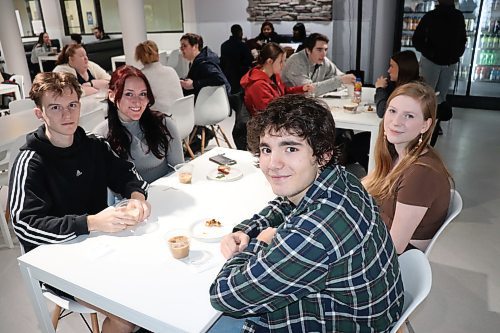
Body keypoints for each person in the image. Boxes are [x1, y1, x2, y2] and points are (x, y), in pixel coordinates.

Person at [209, 94, 404, 332]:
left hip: (343, 323)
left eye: (290, 148)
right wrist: (247, 229)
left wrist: (258, 244)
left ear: (322, 154)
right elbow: (286, 203)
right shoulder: (343, 180)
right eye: (266, 149)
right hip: (371, 311)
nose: (273, 163)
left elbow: (224, 296)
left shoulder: (313, 234)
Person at [8, 71, 150, 333]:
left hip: (101, 249)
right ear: (40, 113)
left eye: (72, 105)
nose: (67, 115)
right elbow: (24, 224)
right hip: (56, 263)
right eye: (55, 107)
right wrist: (92, 222)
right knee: (128, 316)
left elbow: (129, 174)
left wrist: (136, 198)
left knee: (152, 283)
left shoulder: (94, 146)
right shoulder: (30, 161)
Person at [362, 82, 452, 254]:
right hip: (379, 234)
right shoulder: (400, 153)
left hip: (395, 259)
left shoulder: (421, 173)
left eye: (409, 116)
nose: (396, 122)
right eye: (392, 111)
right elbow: (366, 186)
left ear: (425, 125)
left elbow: (395, 246)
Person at [93, 65, 184, 183]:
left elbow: (180, 169)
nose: (137, 101)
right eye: (129, 94)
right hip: (130, 200)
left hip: (166, 193)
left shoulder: (164, 124)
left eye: (143, 94)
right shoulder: (101, 135)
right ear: (112, 95)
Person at [412, 0, 466, 146]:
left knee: (431, 94)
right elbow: (462, 39)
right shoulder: (457, 16)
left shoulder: (432, 16)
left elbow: (416, 40)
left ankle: (430, 122)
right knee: (435, 95)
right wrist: (455, 54)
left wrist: (432, 53)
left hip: (438, 61)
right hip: (442, 61)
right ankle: (428, 122)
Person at [240, 42, 313, 117]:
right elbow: (269, 112)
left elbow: (284, 91)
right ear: (269, 61)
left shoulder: (274, 75)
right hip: (265, 123)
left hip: (277, 117)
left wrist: (301, 89)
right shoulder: (258, 85)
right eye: (281, 62)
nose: (284, 65)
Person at [282, 33, 356, 96]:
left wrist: (340, 81)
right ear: (308, 50)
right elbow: (309, 91)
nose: (323, 54)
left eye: (325, 50)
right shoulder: (296, 61)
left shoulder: (324, 60)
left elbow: (343, 78)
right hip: (290, 106)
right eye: (319, 50)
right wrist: (339, 81)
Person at [135, 40, 183, 113]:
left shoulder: (140, 76)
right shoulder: (171, 70)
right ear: (157, 54)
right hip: (183, 116)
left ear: (140, 58)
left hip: (161, 119)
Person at [179, 33, 230, 99]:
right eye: (181, 46)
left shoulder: (204, 63)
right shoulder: (196, 61)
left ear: (195, 46)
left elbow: (220, 79)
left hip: (210, 102)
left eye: (184, 46)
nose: (181, 49)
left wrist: (194, 84)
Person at [374, 50, 420, 118]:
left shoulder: (412, 91)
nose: (388, 70)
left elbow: (383, 112)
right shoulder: (395, 84)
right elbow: (378, 101)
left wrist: (380, 89)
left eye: (392, 66)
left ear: (403, 68)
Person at [220, 24, 253, 94]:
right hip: (241, 76)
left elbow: (222, 62)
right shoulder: (243, 46)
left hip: (228, 76)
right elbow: (249, 61)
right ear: (240, 32)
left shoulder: (224, 45)